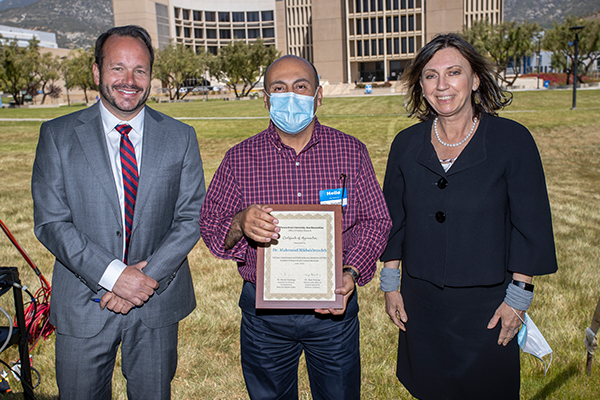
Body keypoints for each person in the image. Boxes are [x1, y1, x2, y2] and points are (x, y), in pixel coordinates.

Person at [199, 55, 391, 400]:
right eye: (279, 88)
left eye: (300, 87)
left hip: (333, 313)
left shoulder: (351, 152)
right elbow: (213, 231)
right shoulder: (239, 159)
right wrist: (240, 223)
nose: (291, 96)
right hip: (264, 318)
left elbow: (376, 220)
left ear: (318, 96)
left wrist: (350, 271)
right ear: (266, 98)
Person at [379, 33, 558, 399]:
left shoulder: (512, 139)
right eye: (430, 75)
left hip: (489, 306)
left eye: (454, 72)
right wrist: (390, 285)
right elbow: (394, 219)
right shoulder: (406, 143)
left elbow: (528, 224)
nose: (442, 85)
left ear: (475, 79)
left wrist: (519, 299)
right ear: (421, 84)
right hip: (421, 302)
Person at [31, 25, 205, 399]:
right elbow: (51, 222)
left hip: (156, 302)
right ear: (96, 72)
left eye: (140, 70)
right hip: (83, 304)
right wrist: (113, 276)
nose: (129, 80)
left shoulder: (180, 136)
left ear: (150, 76)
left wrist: (142, 282)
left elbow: (191, 218)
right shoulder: (57, 136)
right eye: (117, 68)